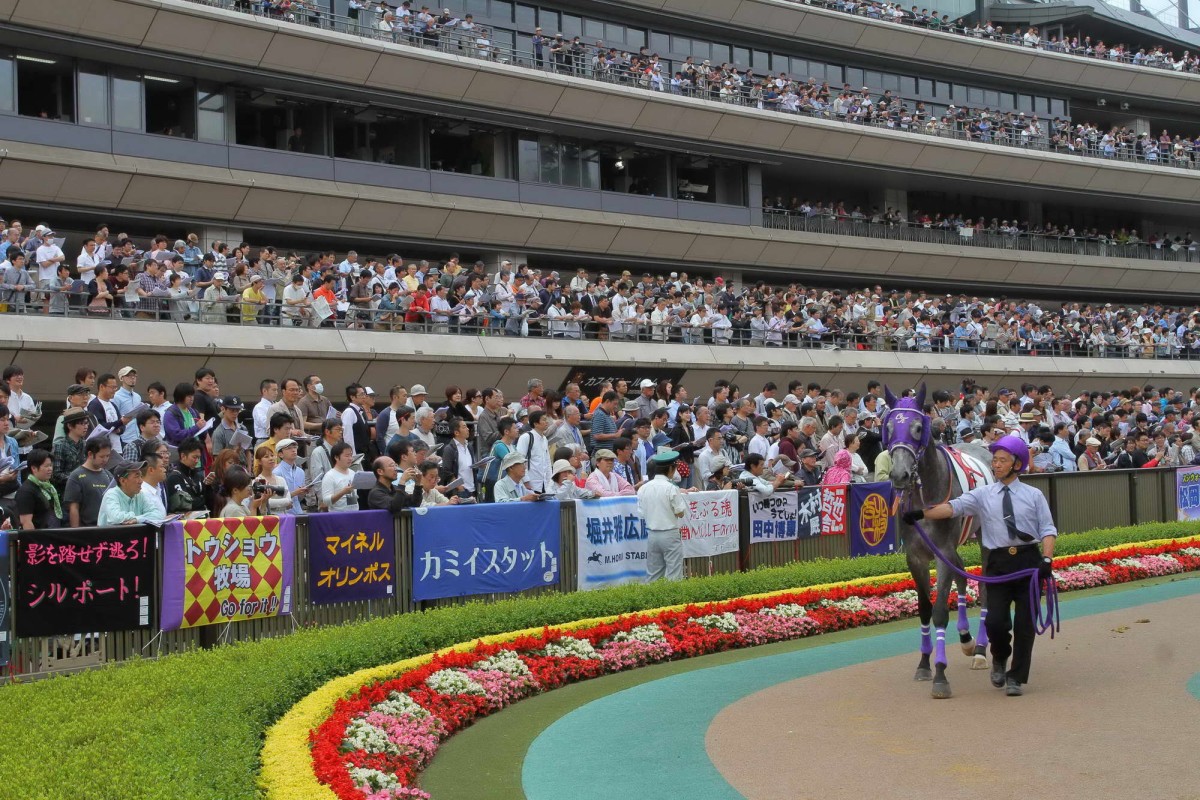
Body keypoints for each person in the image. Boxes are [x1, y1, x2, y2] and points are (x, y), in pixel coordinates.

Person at [902, 435, 1057, 697]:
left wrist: (1047, 559)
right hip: (998, 563)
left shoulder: (1034, 495)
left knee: (1025, 625)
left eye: (1001, 460)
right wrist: (920, 514)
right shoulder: (983, 494)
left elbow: (1048, 529)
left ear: (1016, 464)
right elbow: (953, 508)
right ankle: (998, 659)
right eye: (994, 460)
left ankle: (1015, 677)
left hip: (1028, 562)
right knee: (996, 621)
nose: (995, 465)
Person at [637, 449, 688, 582]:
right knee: (674, 573)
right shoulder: (671, 487)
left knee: (653, 574)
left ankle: (651, 601)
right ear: (671, 468)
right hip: (670, 533)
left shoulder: (644, 488)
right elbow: (680, 512)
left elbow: (641, 513)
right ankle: (673, 602)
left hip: (652, 534)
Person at [63, 438, 113, 527]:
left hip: (107, 527)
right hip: (88, 529)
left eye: (107, 456)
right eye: (101, 456)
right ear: (90, 454)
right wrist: (76, 532)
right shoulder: (76, 476)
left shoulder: (108, 475)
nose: (105, 460)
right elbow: (73, 508)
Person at [97, 460, 159, 525]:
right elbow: (116, 518)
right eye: (137, 476)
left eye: (141, 476)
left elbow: (158, 514)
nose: (141, 481)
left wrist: (137, 519)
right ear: (123, 481)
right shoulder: (111, 494)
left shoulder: (140, 495)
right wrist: (142, 516)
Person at [15, 449, 61, 529]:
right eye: (46, 466)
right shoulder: (26, 491)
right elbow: (26, 522)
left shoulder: (48, 487)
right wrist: (34, 540)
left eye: (50, 465)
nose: (50, 469)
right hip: (39, 538)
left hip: (52, 534)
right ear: (34, 468)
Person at [320, 442, 359, 511]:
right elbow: (326, 501)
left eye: (351, 455)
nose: (350, 458)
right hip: (338, 516)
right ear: (336, 457)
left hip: (355, 514)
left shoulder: (353, 473)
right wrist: (343, 492)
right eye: (347, 456)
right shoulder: (329, 476)